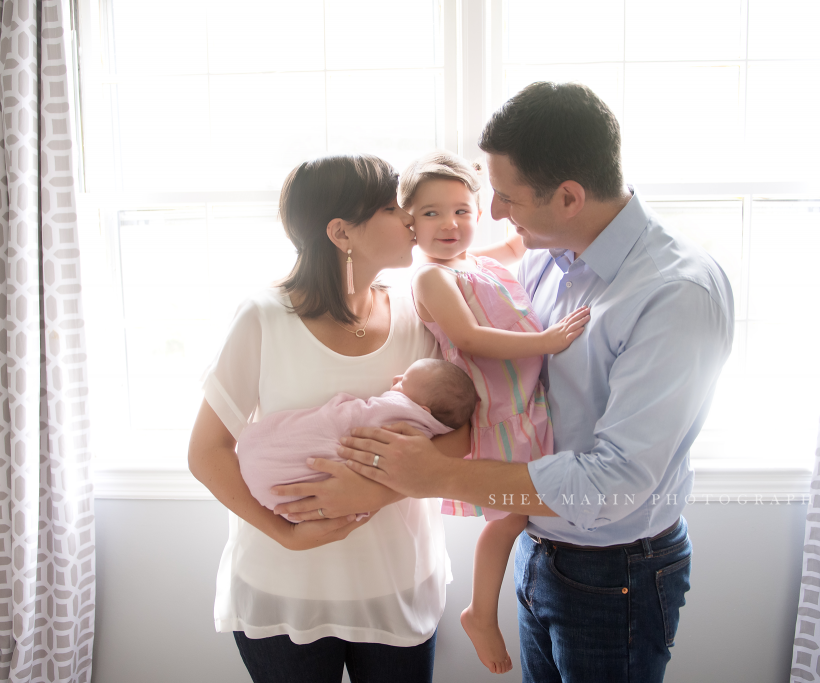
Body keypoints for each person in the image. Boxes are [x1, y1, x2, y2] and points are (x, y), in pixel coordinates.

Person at [332, 82, 735, 683]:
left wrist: (438, 474)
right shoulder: (550, 255)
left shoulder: (674, 295)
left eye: (505, 198)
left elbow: (615, 482)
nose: (492, 213)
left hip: (613, 572)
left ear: (569, 197)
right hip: (537, 545)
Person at [188, 154, 471, 683]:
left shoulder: (420, 313)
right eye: (392, 207)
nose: (412, 217)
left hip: (396, 582)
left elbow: (463, 436)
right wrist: (286, 534)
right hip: (284, 587)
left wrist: (379, 492)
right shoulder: (263, 317)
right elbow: (206, 453)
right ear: (342, 231)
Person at [398, 151, 589, 674]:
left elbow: (520, 239)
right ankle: (481, 613)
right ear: (409, 222)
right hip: (499, 407)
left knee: (525, 515)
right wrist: (546, 342)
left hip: (528, 403)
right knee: (511, 519)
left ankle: (490, 609)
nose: (450, 224)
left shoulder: (479, 262)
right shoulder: (433, 278)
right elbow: (469, 337)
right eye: (432, 213)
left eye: (462, 210)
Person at [236, 359, 476, 520]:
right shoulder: (432, 427)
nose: (395, 379)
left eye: (403, 383)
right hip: (281, 514)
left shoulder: (404, 415)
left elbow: (362, 414)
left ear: (423, 410)